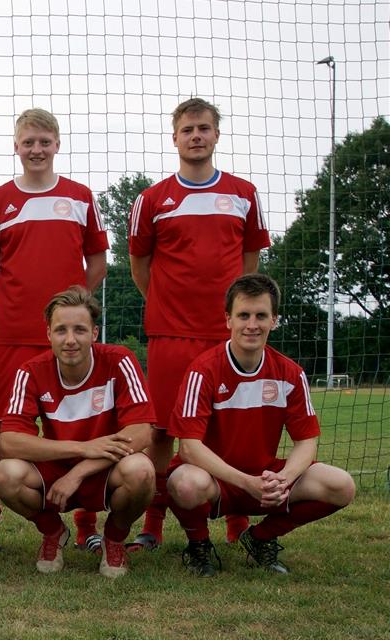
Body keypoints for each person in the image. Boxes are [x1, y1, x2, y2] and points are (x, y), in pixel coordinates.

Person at [127, 98, 271, 551]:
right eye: (187, 129)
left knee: (227, 429)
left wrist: (232, 317)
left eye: (204, 128)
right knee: (164, 432)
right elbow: (139, 264)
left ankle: (236, 519)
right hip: (171, 334)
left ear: (216, 135)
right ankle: (153, 522)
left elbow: (251, 265)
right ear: (175, 137)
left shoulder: (243, 193)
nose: (196, 136)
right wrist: (168, 306)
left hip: (226, 335)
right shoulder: (152, 199)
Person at [0, 108, 108, 553]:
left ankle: (86, 524)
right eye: (28, 142)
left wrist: (71, 312)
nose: (36, 150)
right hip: (12, 332)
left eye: (44, 141)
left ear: (57, 144)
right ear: (16, 146)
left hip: (71, 332)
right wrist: (16, 304)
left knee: (84, 425)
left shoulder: (81, 197)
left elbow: (99, 262)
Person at [167, 273, 355, 576]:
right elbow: (188, 448)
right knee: (185, 484)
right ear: (228, 319)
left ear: (275, 320)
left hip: (266, 478)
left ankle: (260, 537)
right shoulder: (203, 371)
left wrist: (283, 479)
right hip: (217, 480)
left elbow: (307, 441)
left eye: (261, 315)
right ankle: (198, 545)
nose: (251, 324)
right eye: (243, 315)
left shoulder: (290, 373)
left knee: (341, 485)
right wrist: (246, 483)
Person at [0, 287, 155, 578]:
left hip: (106, 467)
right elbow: (9, 441)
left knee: (141, 471)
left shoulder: (119, 361)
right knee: (6, 474)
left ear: (94, 333)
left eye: (80, 330)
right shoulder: (30, 371)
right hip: (57, 469)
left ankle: (114, 538)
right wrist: (82, 448)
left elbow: (142, 432)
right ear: (48, 335)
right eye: (61, 330)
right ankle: (53, 532)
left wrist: (78, 471)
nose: (70, 340)